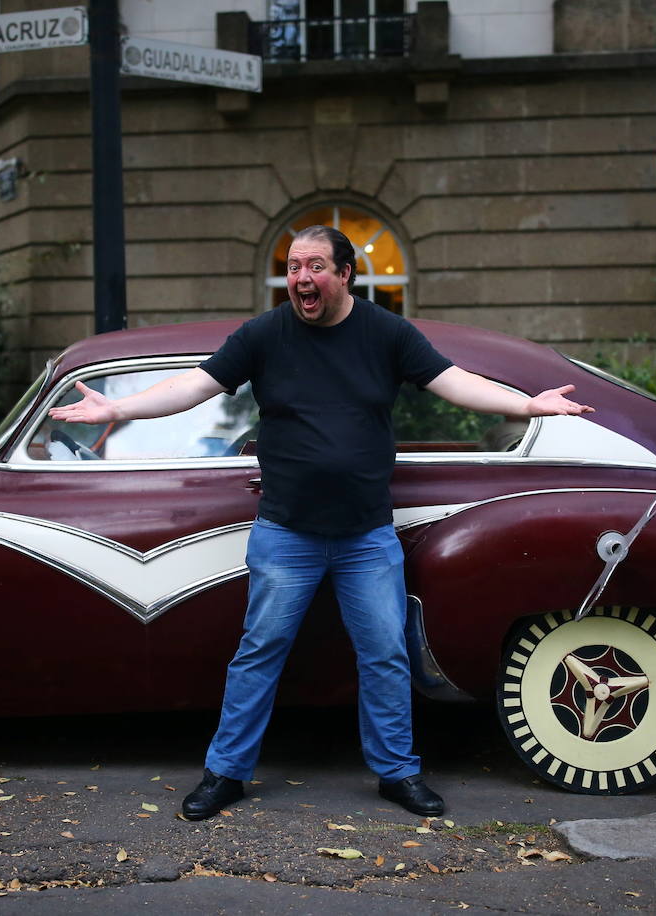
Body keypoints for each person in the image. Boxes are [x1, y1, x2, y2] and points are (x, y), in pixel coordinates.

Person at [48, 226, 593, 820]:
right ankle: (225, 773)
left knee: (385, 653)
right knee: (260, 650)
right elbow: (193, 386)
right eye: (293, 267)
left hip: (366, 535)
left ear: (345, 274)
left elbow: (453, 382)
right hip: (287, 533)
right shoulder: (264, 334)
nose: (301, 279)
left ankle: (398, 774)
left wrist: (528, 405)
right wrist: (117, 406)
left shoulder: (386, 334)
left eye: (314, 267)